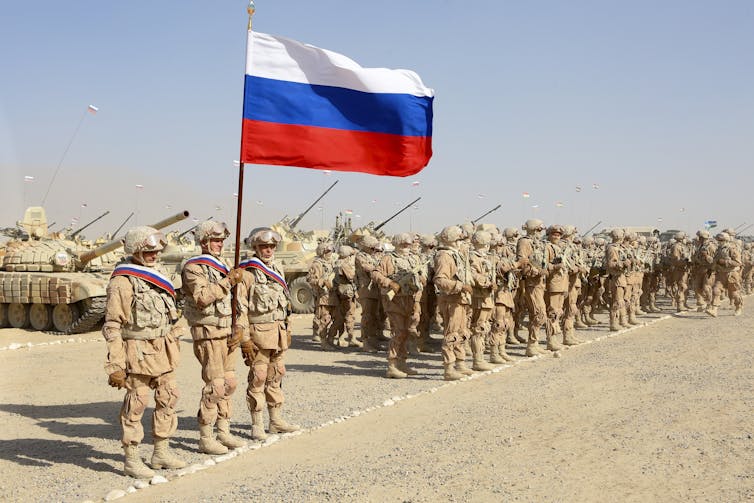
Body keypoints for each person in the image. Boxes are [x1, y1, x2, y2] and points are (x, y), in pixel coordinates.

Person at [103, 226, 186, 478]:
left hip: (162, 348)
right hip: (137, 351)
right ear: (135, 250)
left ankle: (160, 452)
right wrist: (115, 364)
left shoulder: (159, 273)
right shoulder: (123, 281)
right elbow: (113, 325)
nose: (154, 255)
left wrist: (176, 335)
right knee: (137, 403)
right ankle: (131, 458)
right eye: (148, 251)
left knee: (168, 397)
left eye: (157, 250)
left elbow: (173, 311)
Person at [181, 220, 246, 455]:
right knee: (216, 385)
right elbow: (202, 298)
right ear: (203, 242)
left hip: (226, 330)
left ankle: (223, 430)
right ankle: (206, 436)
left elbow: (236, 299)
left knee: (230, 383)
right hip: (208, 331)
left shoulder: (224, 264)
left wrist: (240, 326)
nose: (219, 244)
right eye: (214, 240)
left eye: (221, 241)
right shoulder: (194, 267)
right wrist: (228, 281)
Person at [236, 227, 300, 440]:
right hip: (259, 334)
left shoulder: (278, 268)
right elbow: (240, 308)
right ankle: (257, 423)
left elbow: (285, 301)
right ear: (255, 247)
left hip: (278, 332)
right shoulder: (247, 272)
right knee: (258, 377)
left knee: (276, 375)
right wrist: (244, 339)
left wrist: (288, 328)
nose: (268, 250)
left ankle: (276, 419)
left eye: (271, 246)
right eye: (264, 246)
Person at [371, 233, 426, 378]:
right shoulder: (388, 259)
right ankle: (392, 364)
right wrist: (390, 283)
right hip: (394, 301)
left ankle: (402, 363)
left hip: (409, 299)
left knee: (406, 332)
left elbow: (423, 277)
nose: (406, 247)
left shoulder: (413, 259)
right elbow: (376, 274)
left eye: (408, 244)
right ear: (397, 244)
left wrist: (420, 279)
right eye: (403, 244)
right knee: (398, 331)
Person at [434, 225, 473, 380]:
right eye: (458, 238)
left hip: (461, 299)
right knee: (451, 334)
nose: (460, 242)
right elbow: (440, 280)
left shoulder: (456, 254)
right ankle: (449, 368)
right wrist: (460, 286)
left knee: (462, 333)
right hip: (451, 299)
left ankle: (460, 363)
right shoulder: (444, 256)